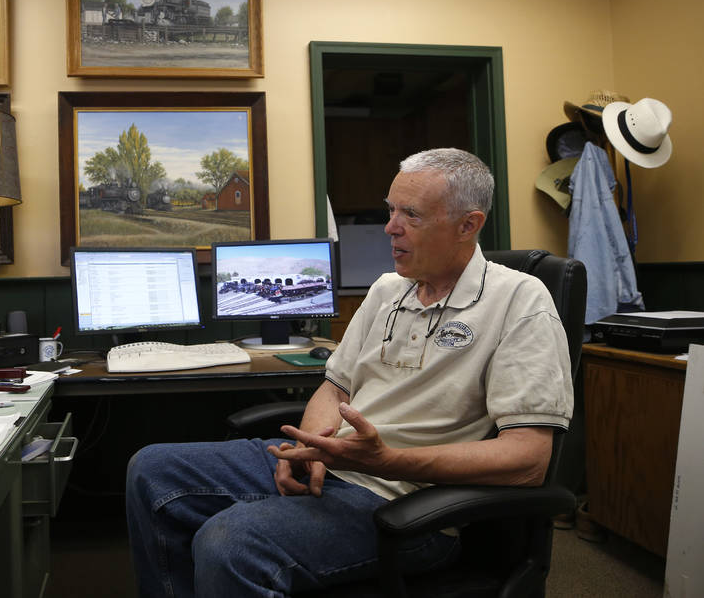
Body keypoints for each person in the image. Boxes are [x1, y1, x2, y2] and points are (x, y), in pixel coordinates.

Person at [125, 148, 574, 597]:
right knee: (152, 469)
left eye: (411, 215)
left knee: (229, 542)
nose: (390, 227)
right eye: (391, 210)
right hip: (338, 465)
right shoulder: (387, 289)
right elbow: (335, 387)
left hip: (408, 502)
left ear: (468, 225)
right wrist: (313, 448)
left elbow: (528, 460)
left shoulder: (519, 300)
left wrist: (387, 461)